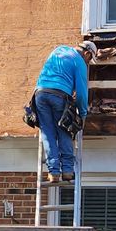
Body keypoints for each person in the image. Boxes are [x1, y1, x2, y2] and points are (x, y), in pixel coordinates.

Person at [32, 43, 94, 182]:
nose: (88, 63)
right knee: (64, 129)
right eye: (89, 60)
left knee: (47, 132)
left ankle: (53, 172)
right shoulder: (79, 61)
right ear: (87, 53)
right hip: (59, 96)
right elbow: (82, 93)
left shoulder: (58, 50)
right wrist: (82, 114)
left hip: (40, 94)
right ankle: (67, 170)